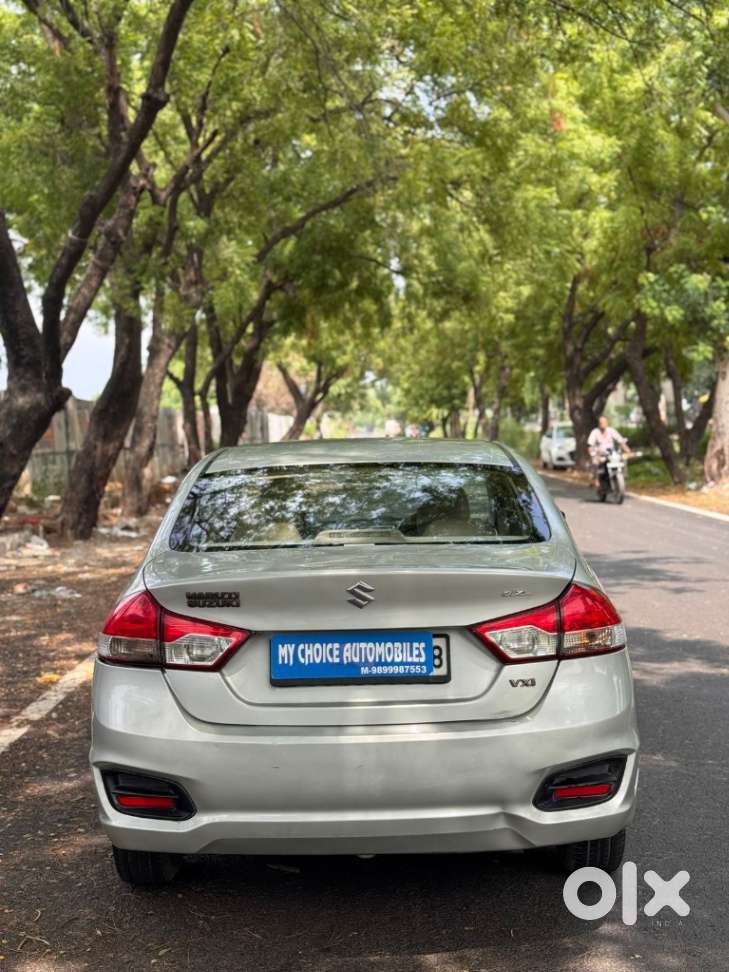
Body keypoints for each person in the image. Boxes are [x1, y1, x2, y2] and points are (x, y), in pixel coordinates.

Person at [588, 416, 630, 490]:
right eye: (601, 423)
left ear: (607, 423)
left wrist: (627, 450)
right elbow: (590, 445)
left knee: (623, 459)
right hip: (600, 454)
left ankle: (623, 476)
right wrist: (593, 454)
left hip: (611, 453)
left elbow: (620, 441)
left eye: (604, 422)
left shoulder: (611, 431)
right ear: (598, 424)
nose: (602, 424)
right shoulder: (595, 432)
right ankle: (596, 480)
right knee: (595, 462)